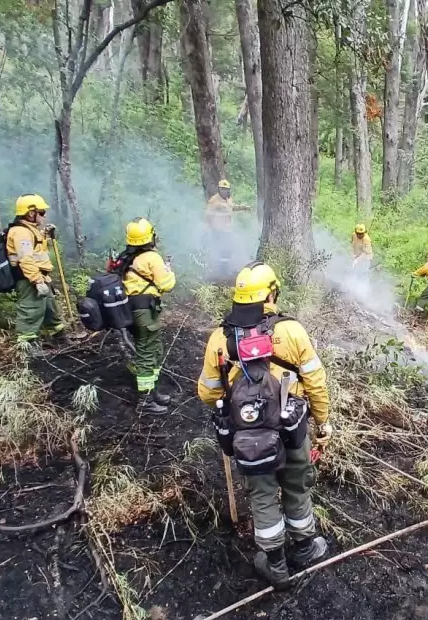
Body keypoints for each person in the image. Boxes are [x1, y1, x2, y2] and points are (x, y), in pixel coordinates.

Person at [197, 262, 332, 588]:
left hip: (249, 438)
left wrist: (238, 408)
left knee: (262, 495)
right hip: (291, 429)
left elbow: (206, 392)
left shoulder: (220, 338)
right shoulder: (291, 331)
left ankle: (275, 565)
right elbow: (316, 382)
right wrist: (323, 422)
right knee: (297, 486)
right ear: (272, 292)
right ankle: (304, 549)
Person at [118, 218, 177, 415]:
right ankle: (145, 401)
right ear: (149, 236)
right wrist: (169, 272)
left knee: (154, 350)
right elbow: (166, 285)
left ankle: (153, 393)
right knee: (146, 353)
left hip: (130, 311)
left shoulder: (126, 257)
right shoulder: (151, 258)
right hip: (144, 313)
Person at [6, 194, 64, 349]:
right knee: (30, 310)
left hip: (41, 276)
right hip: (29, 279)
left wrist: (45, 234)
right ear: (31, 213)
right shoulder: (21, 232)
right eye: (42, 212)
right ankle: (26, 348)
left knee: (50, 308)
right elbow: (26, 259)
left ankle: (59, 338)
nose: (44, 216)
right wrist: (37, 280)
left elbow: (37, 249)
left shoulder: (30, 230)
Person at [205, 179, 253, 277]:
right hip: (218, 229)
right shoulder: (214, 200)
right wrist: (214, 225)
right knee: (223, 250)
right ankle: (222, 272)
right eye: (223, 189)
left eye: (226, 189)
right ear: (219, 189)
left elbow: (231, 207)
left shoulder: (228, 199)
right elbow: (208, 214)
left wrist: (243, 207)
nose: (225, 191)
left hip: (227, 229)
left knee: (228, 249)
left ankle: (225, 270)